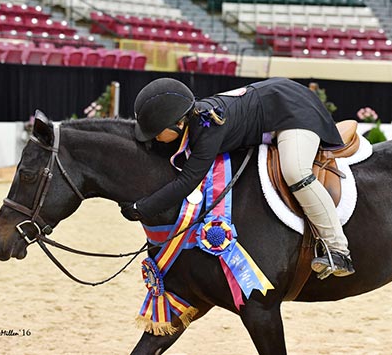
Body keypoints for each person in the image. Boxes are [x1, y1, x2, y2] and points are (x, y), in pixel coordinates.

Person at [121, 77, 354, 278]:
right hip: (275, 101)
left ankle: (338, 250)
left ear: (179, 123)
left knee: (296, 172)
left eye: (156, 132)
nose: (153, 138)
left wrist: (142, 208)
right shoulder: (194, 120)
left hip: (295, 110)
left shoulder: (207, 128)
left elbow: (187, 182)